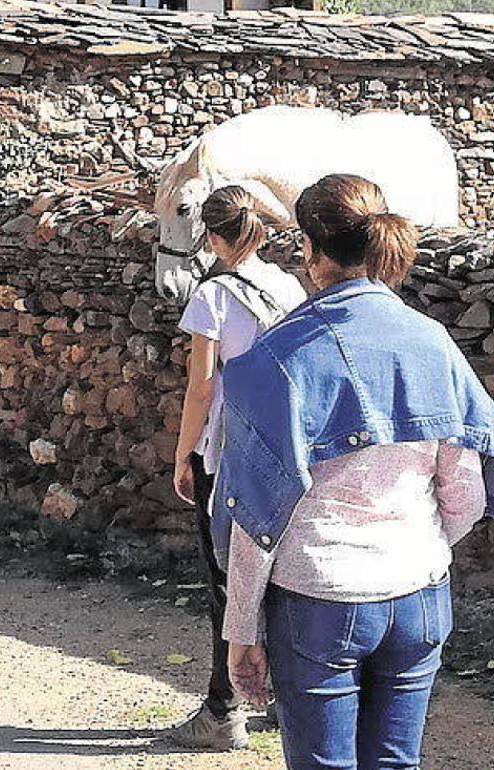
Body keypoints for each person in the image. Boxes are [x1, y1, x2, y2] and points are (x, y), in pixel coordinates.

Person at [216, 174, 492, 769]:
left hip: (320, 599)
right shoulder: (434, 341)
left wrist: (240, 631)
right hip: (420, 594)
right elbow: (466, 490)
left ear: (311, 252)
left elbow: (255, 518)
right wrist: (419, 545)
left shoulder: (274, 361)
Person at [169, 186, 307, 750]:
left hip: (228, 453)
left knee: (228, 582)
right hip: (284, 452)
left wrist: (185, 452)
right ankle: (285, 702)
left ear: (213, 238)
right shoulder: (291, 286)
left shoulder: (213, 296)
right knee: (283, 579)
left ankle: (224, 712)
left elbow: (202, 389)